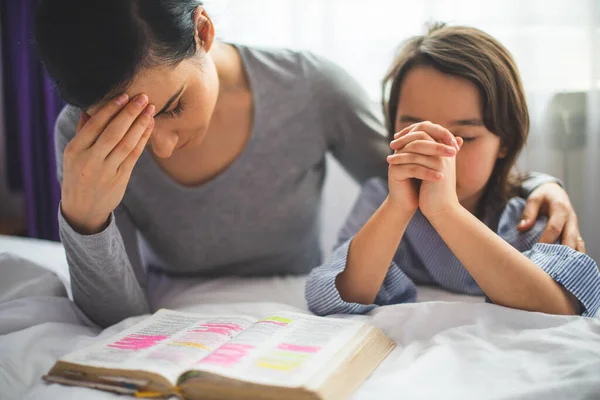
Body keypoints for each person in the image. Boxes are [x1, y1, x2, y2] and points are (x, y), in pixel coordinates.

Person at [34, 1, 582, 327]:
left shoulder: (310, 88)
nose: (162, 148)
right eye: (127, 123)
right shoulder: (80, 140)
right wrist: (85, 221)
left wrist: (539, 181)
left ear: (203, 32)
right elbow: (116, 319)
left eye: (172, 106)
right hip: (178, 305)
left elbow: (427, 165)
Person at [305, 24, 600, 317]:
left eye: (465, 138)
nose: (435, 153)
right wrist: (397, 208)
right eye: (414, 131)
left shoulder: (526, 215)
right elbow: (330, 298)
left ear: (505, 141)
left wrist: (446, 211)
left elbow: (564, 308)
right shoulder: (379, 200)